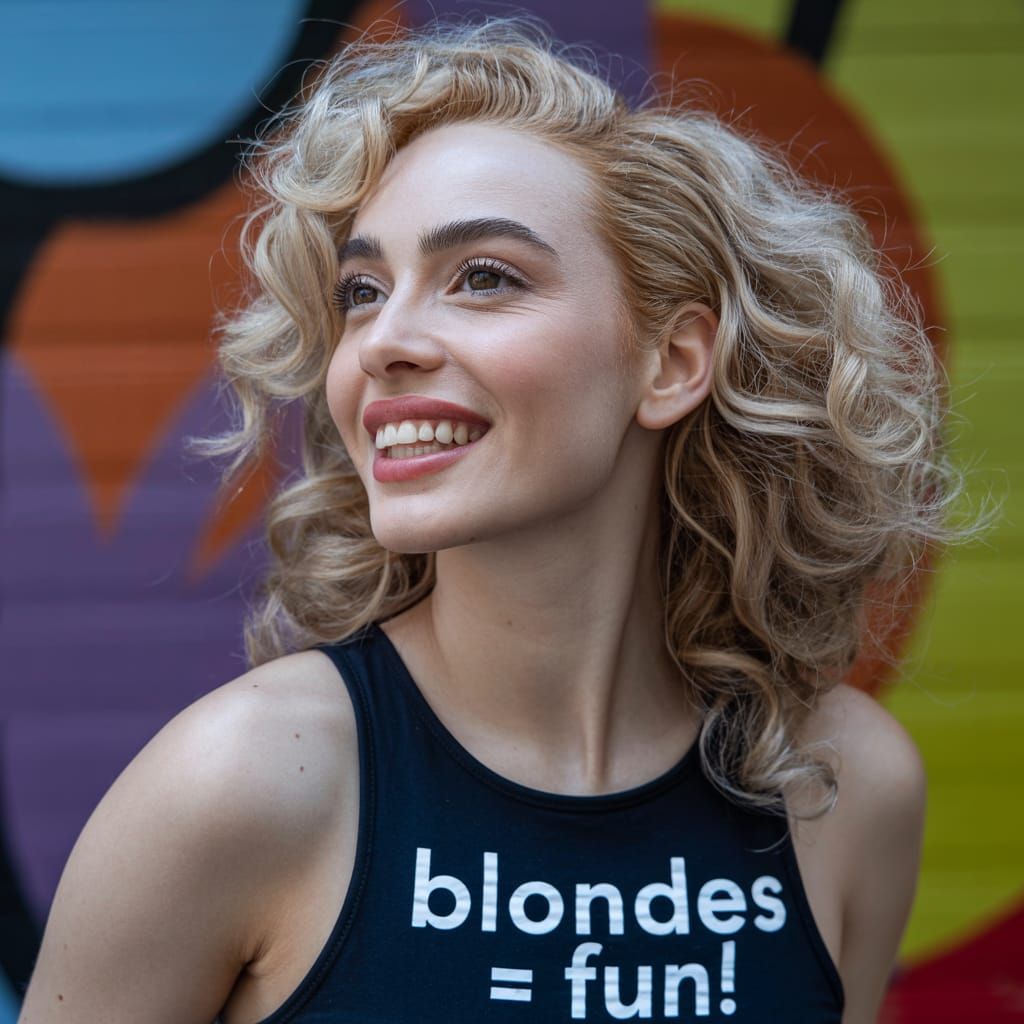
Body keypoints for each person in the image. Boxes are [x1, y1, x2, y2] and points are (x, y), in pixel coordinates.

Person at [19, 16, 972, 1024]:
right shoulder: (243, 783)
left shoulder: (842, 786)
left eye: (482, 276)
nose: (382, 341)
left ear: (673, 362)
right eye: (361, 290)